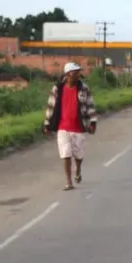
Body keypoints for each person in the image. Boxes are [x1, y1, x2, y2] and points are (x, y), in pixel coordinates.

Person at [43, 61, 97, 191]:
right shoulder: (58, 88)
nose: (78, 74)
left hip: (79, 126)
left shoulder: (84, 88)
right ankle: (68, 182)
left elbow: (90, 105)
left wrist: (93, 122)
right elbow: (50, 106)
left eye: (79, 72)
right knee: (65, 153)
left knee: (79, 155)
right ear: (68, 74)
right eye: (76, 72)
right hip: (63, 127)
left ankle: (77, 169)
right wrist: (47, 124)